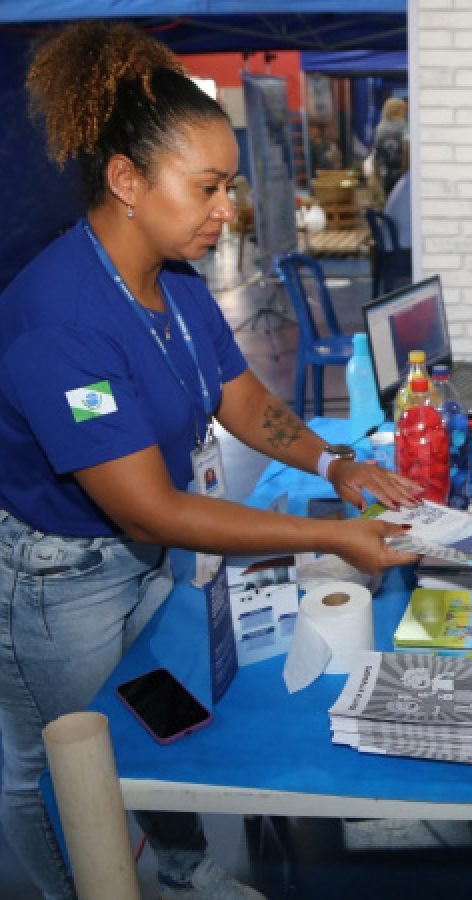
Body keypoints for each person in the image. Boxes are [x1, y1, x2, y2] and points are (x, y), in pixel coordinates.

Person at [0, 23, 421, 900]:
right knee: (60, 764)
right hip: (60, 577)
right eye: (208, 187)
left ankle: (184, 876)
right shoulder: (61, 323)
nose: (227, 209)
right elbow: (147, 509)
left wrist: (336, 464)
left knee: (163, 721)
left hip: (144, 558)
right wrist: (341, 539)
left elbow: (243, 399)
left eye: (227, 185)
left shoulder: (176, 277)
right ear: (127, 180)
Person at [373, 96, 409, 196]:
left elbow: (377, 156)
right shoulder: (404, 128)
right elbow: (406, 151)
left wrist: (377, 177)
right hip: (401, 174)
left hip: (386, 175)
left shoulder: (380, 129)